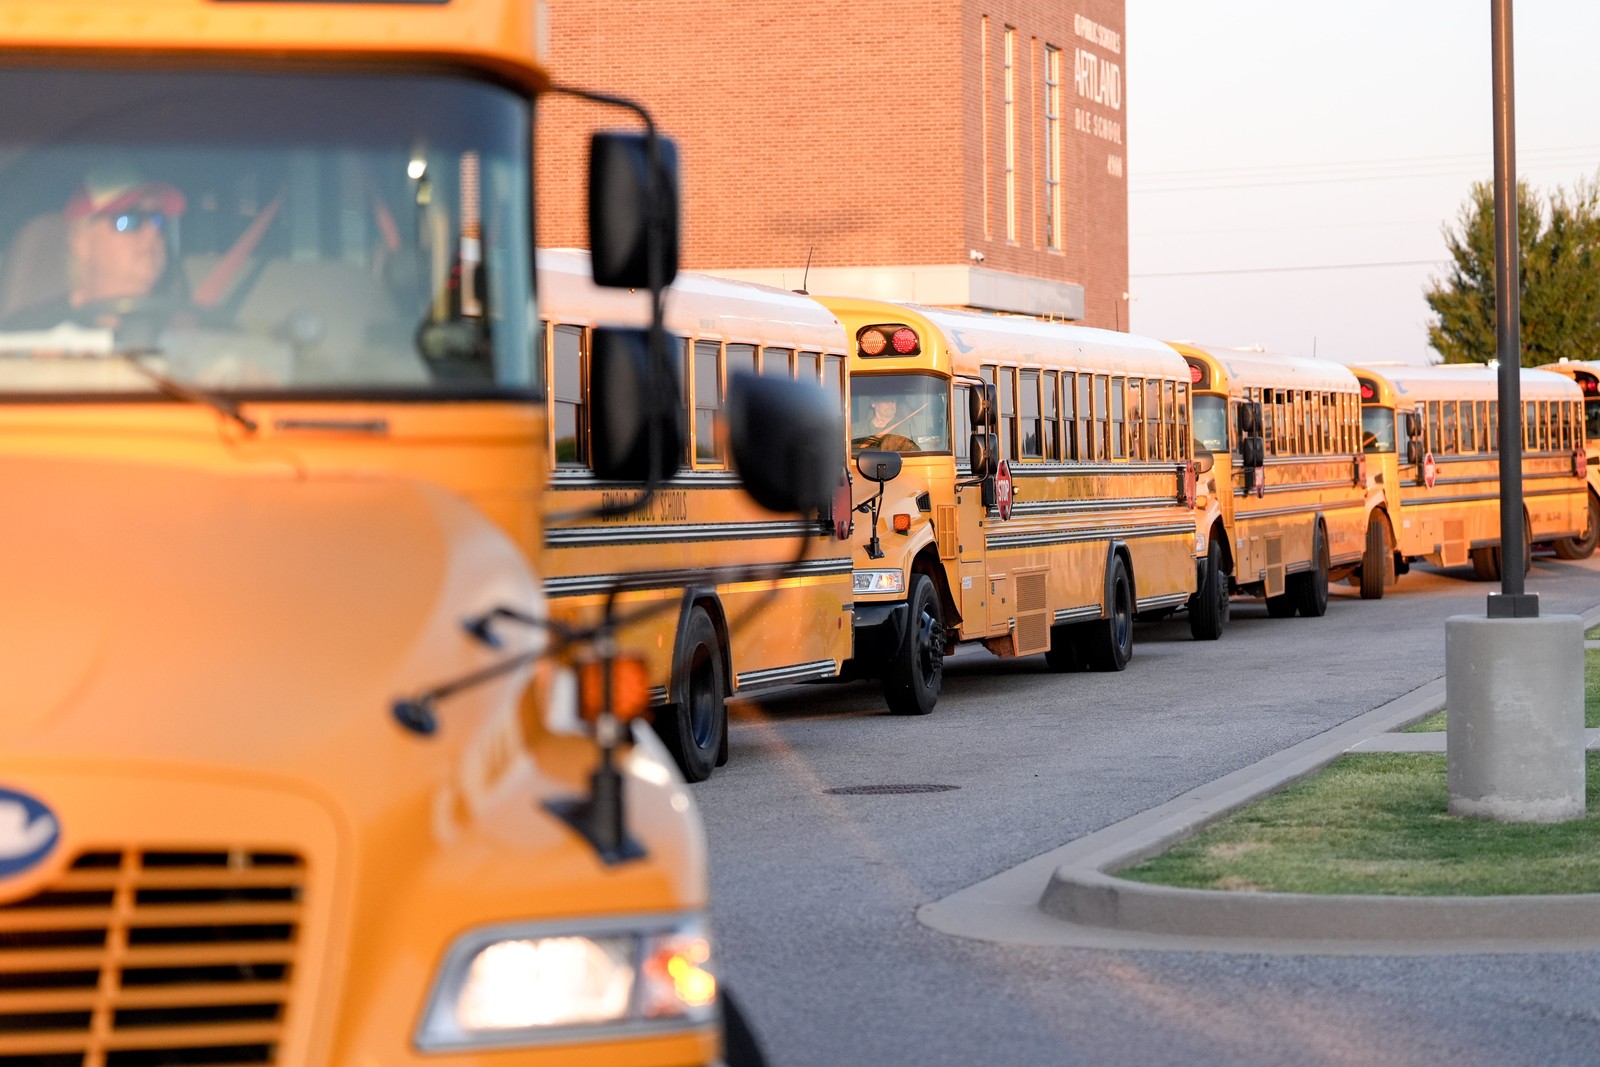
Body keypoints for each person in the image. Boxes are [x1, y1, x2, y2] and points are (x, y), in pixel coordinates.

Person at [0, 170, 186, 331]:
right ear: (81, 241)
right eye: (128, 220)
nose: (152, 233)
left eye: (157, 219)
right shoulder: (28, 339)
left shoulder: (188, 332)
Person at [852, 395, 918, 452]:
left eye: (893, 400)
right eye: (885, 400)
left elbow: (913, 456)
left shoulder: (906, 428)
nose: (890, 403)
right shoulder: (856, 429)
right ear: (873, 403)